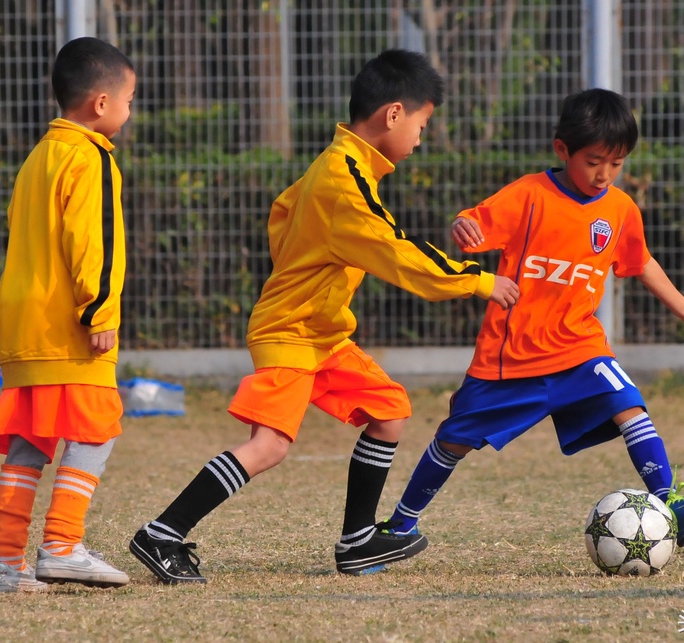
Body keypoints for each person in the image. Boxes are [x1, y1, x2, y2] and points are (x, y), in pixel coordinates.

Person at [128, 49, 520, 583]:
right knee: (269, 446)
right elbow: (397, 250)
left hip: (320, 330)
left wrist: (306, 267)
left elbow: (282, 211)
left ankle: (357, 541)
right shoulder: (346, 182)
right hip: (291, 331)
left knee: (390, 410)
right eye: (423, 125)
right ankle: (162, 533)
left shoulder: (342, 165)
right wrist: (479, 279)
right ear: (394, 115)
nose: (421, 138)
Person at [384, 88, 684, 558]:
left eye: (617, 163)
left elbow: (639, 260)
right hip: (511, 357)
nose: (604, 174)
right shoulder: (530, 195)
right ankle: (400, 526)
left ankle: (670, 505)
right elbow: (474, 222)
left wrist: (683, 306)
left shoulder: (620, 209)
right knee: (453, 439)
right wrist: (462, 224)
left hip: (580, 347)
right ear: (562, 149)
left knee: (629, 404)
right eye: (594, 161)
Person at [0, 37, 136, 593]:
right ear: (100, 104)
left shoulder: (37, 158)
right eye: (129, 99)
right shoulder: (91, 156)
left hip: (26, 328)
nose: (129, 111)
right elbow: (93, 240)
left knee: (28, 444)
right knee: (97, 429)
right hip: (69, 326)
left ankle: (7, 565)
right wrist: (100, 310)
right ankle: (63, 545)